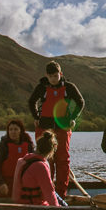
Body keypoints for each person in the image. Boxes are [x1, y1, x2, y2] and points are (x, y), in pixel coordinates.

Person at [27, 60, 85, 199]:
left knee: (62, 160)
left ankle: (61, 194)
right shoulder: (41, 87)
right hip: (43, 128)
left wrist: (73, 117)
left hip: (63, 127)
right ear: (47, 75)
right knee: (44, 160)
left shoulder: (69, 87)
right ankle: (45, 192)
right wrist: (36, 116)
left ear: (60, 74)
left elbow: (80, 102)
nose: (53, 79)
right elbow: (31, 101)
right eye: (51, 76)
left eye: (56, 75)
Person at [12, 130, 65, 206]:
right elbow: (49, 193)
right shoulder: (40, 166)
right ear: (52, 150)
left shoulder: (24, 160)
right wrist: (59, 209)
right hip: (34, 205)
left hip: (22, 204)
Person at [0, 118, 34, 198]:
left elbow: (34, 165)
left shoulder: (28, 145)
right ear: (8, 131)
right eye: (10, 129)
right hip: (6, 184)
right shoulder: (2, 146)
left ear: (20, 131)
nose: (13, 132)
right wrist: (1, 183)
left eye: (16, 129)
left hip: (23, 183)